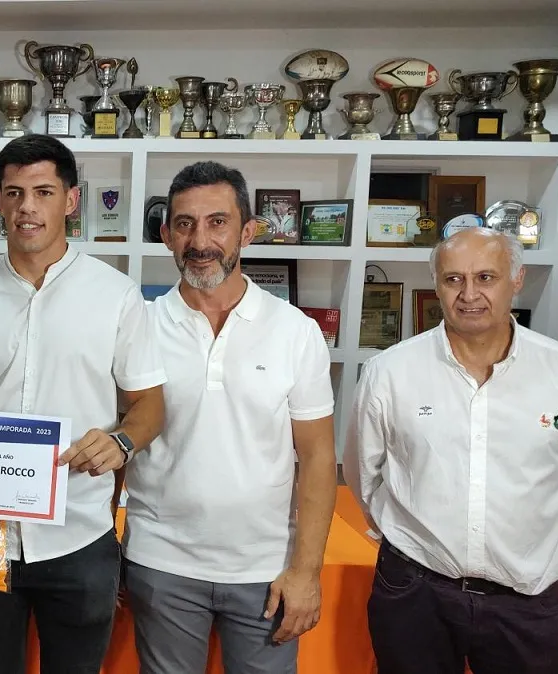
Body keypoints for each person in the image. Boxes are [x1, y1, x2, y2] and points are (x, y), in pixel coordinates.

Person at [0, 134, 167, 674]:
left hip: (79, 532)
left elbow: (149, 406)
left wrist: (120, 441)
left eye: (43, 191)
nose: (27, 207)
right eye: (14, 192)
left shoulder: (115, 294)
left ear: (70, 200)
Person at [343, 227, 558, 674]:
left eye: (486, 277)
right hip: (414, 592)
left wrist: (532, 540)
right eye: (454, 279)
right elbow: (364, 474)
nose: (469, 294)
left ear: (516, 279)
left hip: (529, 598)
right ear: (437, 284)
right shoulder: (389, 372)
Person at [122, 161, 336, 674]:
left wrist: (306, 572)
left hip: (265, 570)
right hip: (161, 562)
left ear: (248, 231)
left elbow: (318, 455)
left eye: (217, 222)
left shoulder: (294, 330)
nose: (200, 240)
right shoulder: (137, 325)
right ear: (165, 234)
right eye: (184, 224)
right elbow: (116, 440)